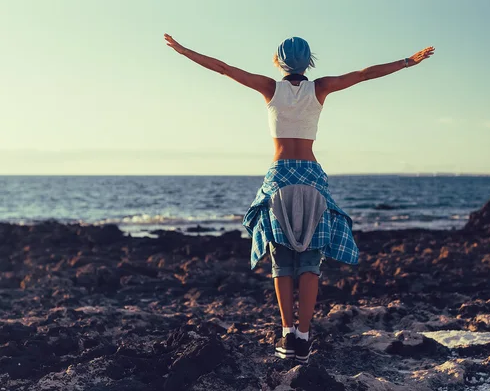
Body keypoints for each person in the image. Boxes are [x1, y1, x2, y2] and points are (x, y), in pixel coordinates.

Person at [164, 33, 435, 363]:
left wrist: (182, 50)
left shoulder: (270, 88)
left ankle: (287, 334)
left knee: (282, 261)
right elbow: (365, 74)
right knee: (309, 262)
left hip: (280, 177)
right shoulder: (319, 88)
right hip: (311, 177)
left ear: (278, 62)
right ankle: (304, 338)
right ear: (309, 62)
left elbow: (222, 68)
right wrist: (408, 61)